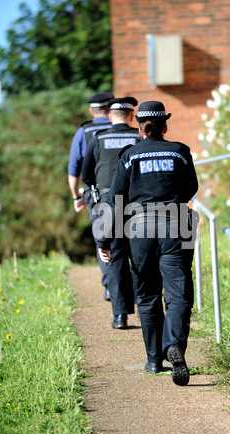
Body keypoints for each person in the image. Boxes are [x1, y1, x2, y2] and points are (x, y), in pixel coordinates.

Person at [97, 100, 199, 386]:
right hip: (177, 225)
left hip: (138, 228)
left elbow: (114, 199)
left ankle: (154, 360)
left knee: (147, 295)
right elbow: (191, 187)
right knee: (178, 295)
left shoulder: (129, 156)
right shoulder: (180, 152)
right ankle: (175, 345)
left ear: (139, 126)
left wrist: (104, 238)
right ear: (165, 125)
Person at [82, 97, 141, 329]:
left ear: (110, 117)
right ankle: (143, 305)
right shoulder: (139, 137)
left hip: (106, 204)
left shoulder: (98, 139)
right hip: (137, 203)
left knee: (114, 259)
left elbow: (87, 175)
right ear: (131, 116)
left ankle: (119, 316)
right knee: (139, 255)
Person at [68, 92, 114, 301]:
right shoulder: (119, 128)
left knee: (101, 237)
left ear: (91, 111)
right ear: (111, 108)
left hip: (95, 195)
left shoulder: (84, 132)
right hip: (126, 193)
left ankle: (109, 285)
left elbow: (73, 169)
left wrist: (76, 197)